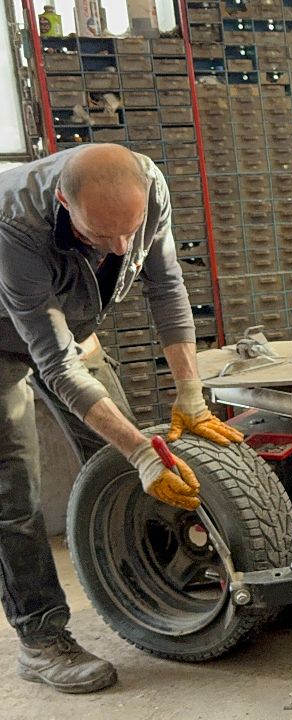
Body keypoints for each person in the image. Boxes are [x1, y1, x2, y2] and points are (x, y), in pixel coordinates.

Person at [0, 144, 242, 693]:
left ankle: (145, 593)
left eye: (128, 230)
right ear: (63, 202)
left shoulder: (148, 188)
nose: (120, 247)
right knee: (14, 496)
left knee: (119, 466)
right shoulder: (14, 223)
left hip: (65, 325)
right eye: (100, 236)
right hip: (5, 336)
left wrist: (191, 397)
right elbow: (55, 364)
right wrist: (140, 450)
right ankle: (41, 640)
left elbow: (166, 286)